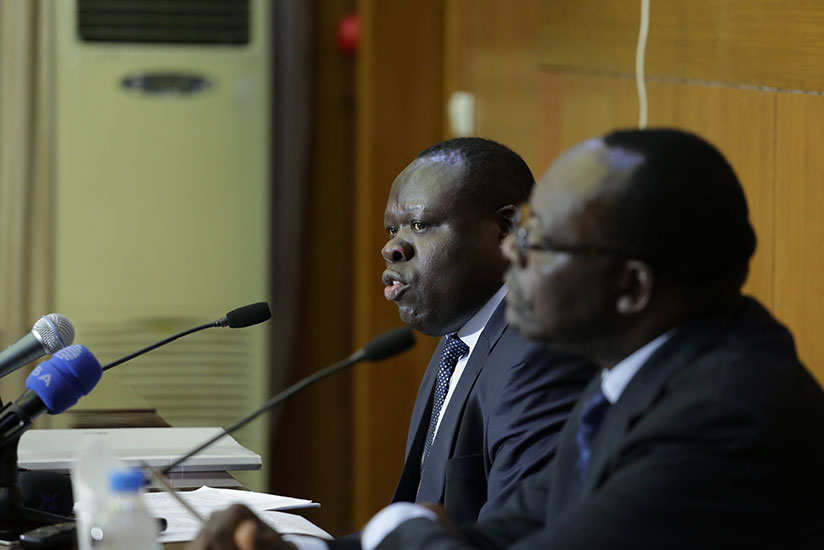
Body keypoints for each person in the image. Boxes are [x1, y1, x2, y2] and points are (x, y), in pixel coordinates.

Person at [363, 128, 824, 549]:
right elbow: (506, 533)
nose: (508, 252)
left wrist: (401, 530)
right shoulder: (633, 377)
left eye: (535, 240)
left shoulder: (725, 420)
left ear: (631, 288)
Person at [188, 138, 597, 550]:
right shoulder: (459, 339)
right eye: (392, 229)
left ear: (506, 230)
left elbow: (512, 538)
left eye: (420, 226)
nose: (392, 248)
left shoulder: (538, 356)